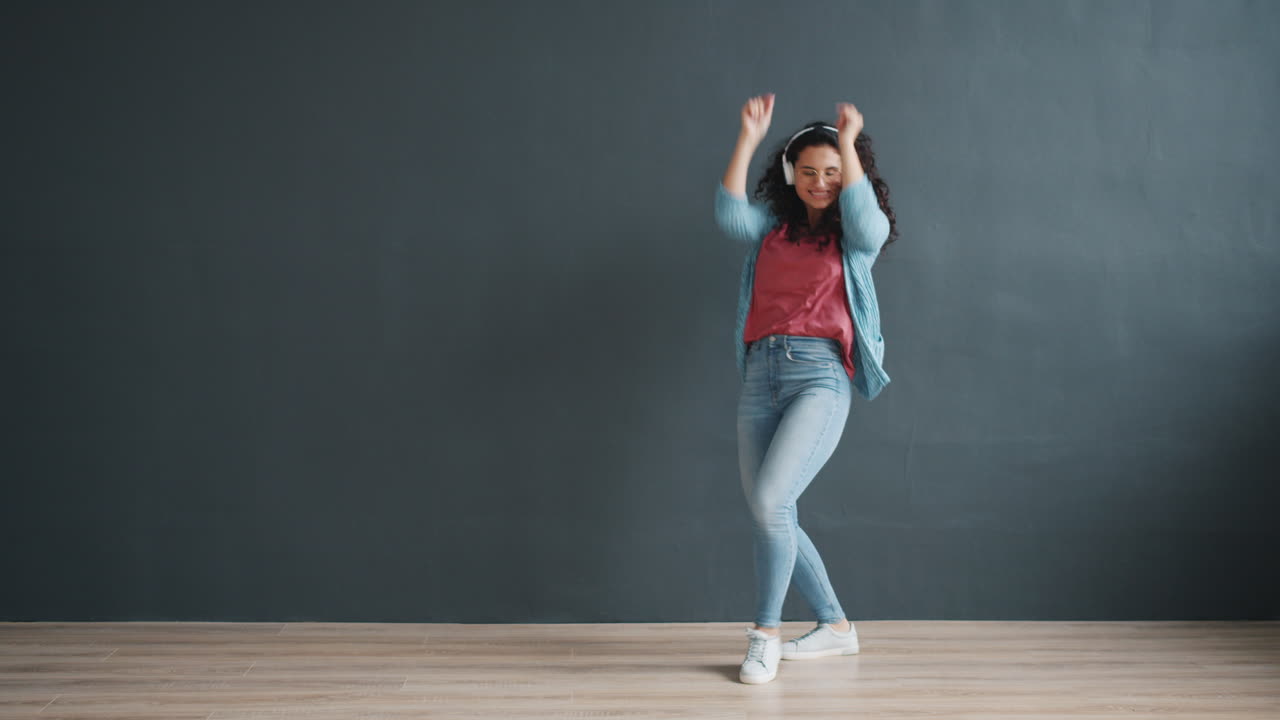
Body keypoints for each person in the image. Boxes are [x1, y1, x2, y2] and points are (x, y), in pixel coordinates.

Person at [713, 93, 899, 684]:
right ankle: (837, 628)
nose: (821, 183)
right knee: (773, 511)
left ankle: (764, 634)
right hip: (761, 374)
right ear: (793, 175)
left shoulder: (852, 239)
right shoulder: (772, 228)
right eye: (810, 172)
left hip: (819, 375)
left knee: (771, 503)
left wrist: (848, 143)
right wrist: (747, 137)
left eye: (833, 174)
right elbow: (729, 214)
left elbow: (873, 223)